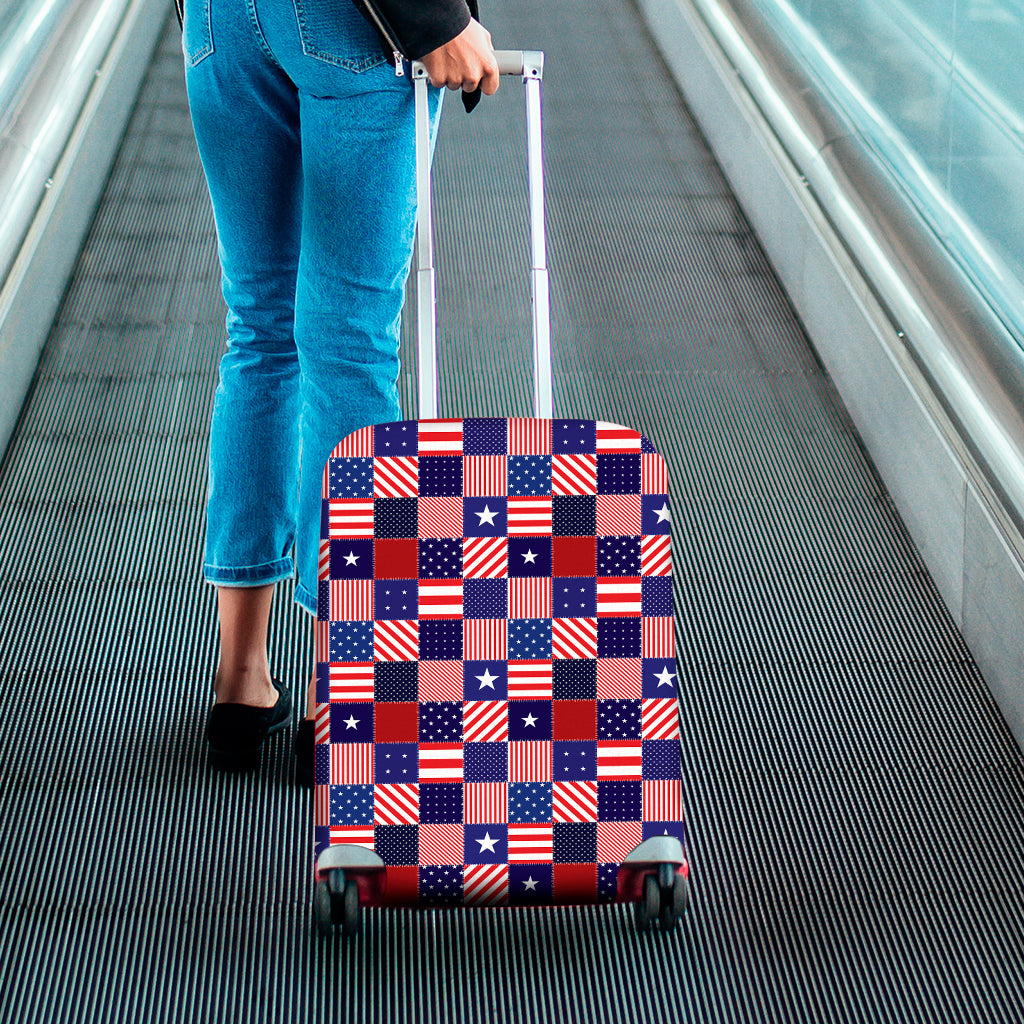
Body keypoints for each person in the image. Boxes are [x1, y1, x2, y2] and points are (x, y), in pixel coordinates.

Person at [182, 0, 499, 771]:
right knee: (348, 348)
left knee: (258, 332)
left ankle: (240, 680)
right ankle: (341, 700)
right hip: (351, 27)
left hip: (220, 25)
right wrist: (434, 18)